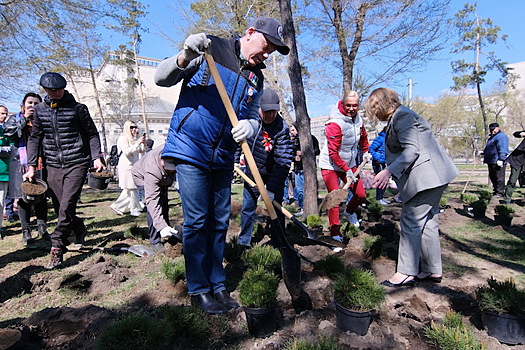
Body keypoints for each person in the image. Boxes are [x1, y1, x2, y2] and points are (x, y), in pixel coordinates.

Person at [154, 17, 289, 314]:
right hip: (192, 148)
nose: (267, 55)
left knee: (219, 222)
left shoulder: (256, 77)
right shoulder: (210, 48)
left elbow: (253, 112)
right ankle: (199, 288)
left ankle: (218, 284)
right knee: (197, 221)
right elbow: (161, 78)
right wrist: (185, 55)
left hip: (224, 155)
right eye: (267, 47)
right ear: (251, 33)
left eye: (272, 52)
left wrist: (251, 126)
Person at [366, 87, 458, 287]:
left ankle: (406, 272)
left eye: (374, 110)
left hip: (427, 178)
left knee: (410, 221)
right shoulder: (401, 116)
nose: (375, 115)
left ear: (381, 105)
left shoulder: (403, 117)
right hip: (435, 176)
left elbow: (412, 151)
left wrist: (388, 171)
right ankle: (432, 269)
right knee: (428, 222)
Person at [23, 72, 104, 269]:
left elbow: (92, 134)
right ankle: (79, 227)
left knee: (67, 205)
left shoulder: (78, 109)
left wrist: (96, 157)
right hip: (52, 165)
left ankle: (57, 247)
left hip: (77, 162)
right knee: (62, 208)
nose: (57, 92)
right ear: (46, 91)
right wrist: (32, 166)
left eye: (60, 89)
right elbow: (35, 139)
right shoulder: (40, 111)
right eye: (53, 90)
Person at [237, 88, 292, 248]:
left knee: (276, 208)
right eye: (266, 112)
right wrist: (234, 161)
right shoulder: (251, 122)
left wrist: (272, 189)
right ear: (260, 109)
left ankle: (278, 241)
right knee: (248, 208)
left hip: (274, 174)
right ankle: (244, 242)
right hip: (252, 173)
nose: (270, 116)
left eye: (273, 112)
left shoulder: (282, 128)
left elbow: (283, 161)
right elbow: (238, 141)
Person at [318, 90, 371, 242]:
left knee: (360, 194)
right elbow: (333, 153)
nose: (351, 109)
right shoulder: (335, 123)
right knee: (334, 200)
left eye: (355, 105)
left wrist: (366, 151)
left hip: (350, 162)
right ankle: (335, 233)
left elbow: (364, 137)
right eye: (348, 105)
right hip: (331, 165)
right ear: (342, 103)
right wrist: (346, 170)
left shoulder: (358, 120)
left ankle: (349, 212)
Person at [4, 93, 51, 244]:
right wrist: (25, 119)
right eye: (29, 103)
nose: (32, 105)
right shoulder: (15, 118)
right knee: (23, 197)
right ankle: (26, 230)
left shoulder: (44, 118)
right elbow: (9, 132)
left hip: (40, 161)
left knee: (41, 195)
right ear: (23, 106)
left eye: (36, 103)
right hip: (20, 163)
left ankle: (42, 228)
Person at [132, 143, 180, 251]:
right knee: (154, 207)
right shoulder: (152, 170)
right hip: (141, 177)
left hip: (163, 180)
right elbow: (152, 201)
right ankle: (155, 240)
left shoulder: (175, 149)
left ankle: (168, 232)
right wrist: (161, 227)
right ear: (161, 160)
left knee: (164, 204)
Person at [110, 121, 146, 217]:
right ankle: (133, 209)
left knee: (130, 189)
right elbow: (126, 152)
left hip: (134, 165)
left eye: (135, 127)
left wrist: (142, 143)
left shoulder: (134, 139)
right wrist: (137, 143)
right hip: (126, 166)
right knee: (132, 187)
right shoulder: (123, 138)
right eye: (131, 127)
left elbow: (141, 151)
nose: (134, 129)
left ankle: (119, 206)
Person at [285, 122, 319, 217]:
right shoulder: (292, 141)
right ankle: (302, 208)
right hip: (297, 169)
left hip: (309, 170)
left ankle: (312, 208)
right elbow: (289, 154)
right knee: (300, 190)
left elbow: (317, 151)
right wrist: (294, 156)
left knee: (309, 190)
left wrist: (304, 153)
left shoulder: (311, 138)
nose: (292, 132)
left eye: (293, 130)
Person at [483, 123, 509, 197]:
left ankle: (500, 192)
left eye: (493, 129)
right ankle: (496, 191)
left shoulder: (501, 137)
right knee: (493, 176)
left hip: (498, 160)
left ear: (498, 128)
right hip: (491, 160)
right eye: (491, 129)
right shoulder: (492, 137)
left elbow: (503, 148)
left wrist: (501, 158)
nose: (492, 131)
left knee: (499, 177)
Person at [502, 130, 525, 204]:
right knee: (512, 180)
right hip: (516, 161)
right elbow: (516, 134)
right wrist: (521, 134)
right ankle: (507, 200)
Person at [369, 126, 389, 205]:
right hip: (378, 162)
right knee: (380, 180)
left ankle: (382, 197)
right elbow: (371, 149)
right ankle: (378, 198)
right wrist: (378, 157)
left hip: (385, 162)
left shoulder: (389, 139)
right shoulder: (380, 139)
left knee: (385, 180)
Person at [0, 106, 11, 239]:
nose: (4, 116)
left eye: (5, 114)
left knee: (1, 202)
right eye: (2, 113)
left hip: (2, 172)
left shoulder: (6, 131)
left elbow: (12, 149)